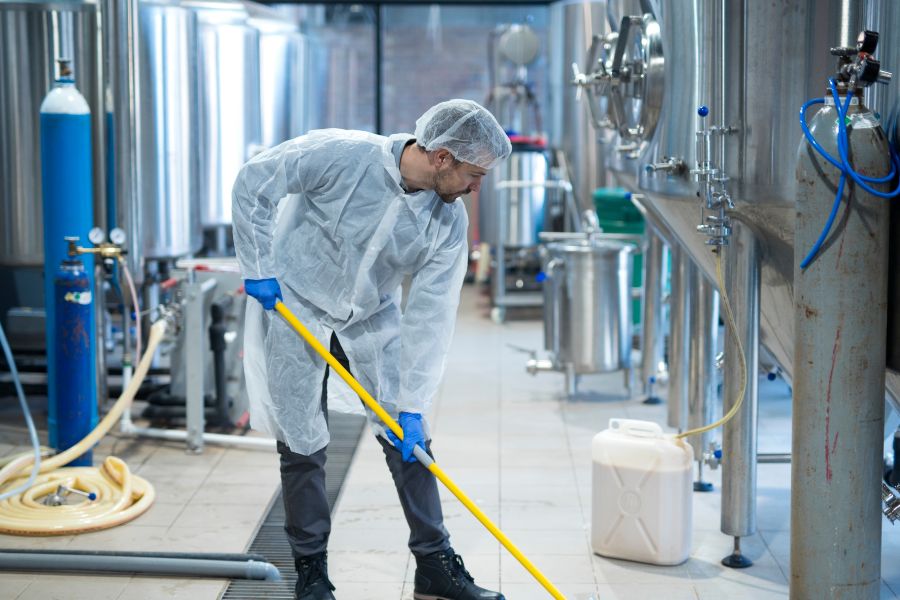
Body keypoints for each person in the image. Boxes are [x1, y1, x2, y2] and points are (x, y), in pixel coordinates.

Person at [232, 99, 512, 600]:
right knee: (302, 440)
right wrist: (257, 267)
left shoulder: (447, 223)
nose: (477, 187)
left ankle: (435, 566)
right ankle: (311, 572)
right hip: (296, 304)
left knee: (409, 437)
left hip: (369, 317)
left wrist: (414, 404)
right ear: (442, 157)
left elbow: (431, 317)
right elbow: (256, 181)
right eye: (475, 174)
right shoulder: (339, 155)